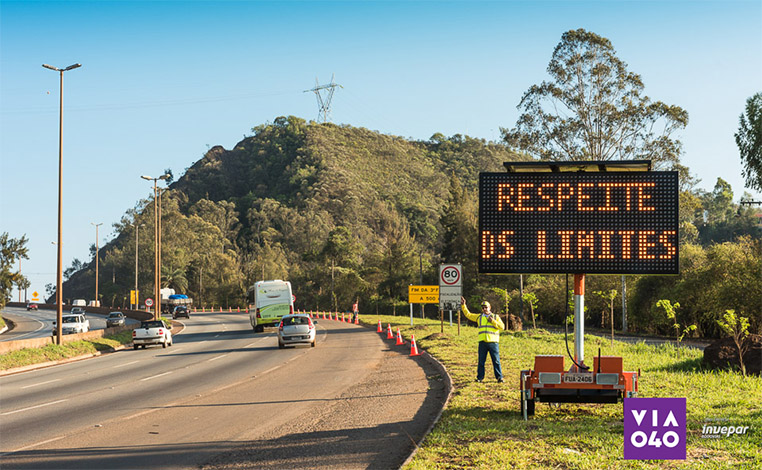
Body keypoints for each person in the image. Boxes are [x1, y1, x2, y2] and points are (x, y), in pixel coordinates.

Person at [461, 296, 504, 383]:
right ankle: (480, 378)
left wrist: (493, 321)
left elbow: (502, 327)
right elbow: (468, 315)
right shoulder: (479, 317)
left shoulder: (495, 317)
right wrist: (463, 305)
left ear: (490, 308)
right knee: (481, 361)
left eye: (486, 307)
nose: (484, 309)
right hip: (482, 342)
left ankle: (499, 377)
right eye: (483, 308)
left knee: (496, 361)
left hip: (493, 343)